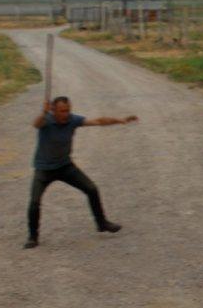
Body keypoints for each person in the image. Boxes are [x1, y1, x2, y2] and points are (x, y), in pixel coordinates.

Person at [25, 94, 138, 249]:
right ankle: (33, 237)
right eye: (62, 111)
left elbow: (98, 121)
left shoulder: (72, 120)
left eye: (68, 110)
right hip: (44, 169)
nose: (66, 114)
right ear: (53, 110)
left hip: (65, 166)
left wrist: (120, 120)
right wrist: (43, 113)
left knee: (92, 189)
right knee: (34, 202)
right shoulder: (46, 120)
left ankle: (102, 223)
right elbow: (36, 125)